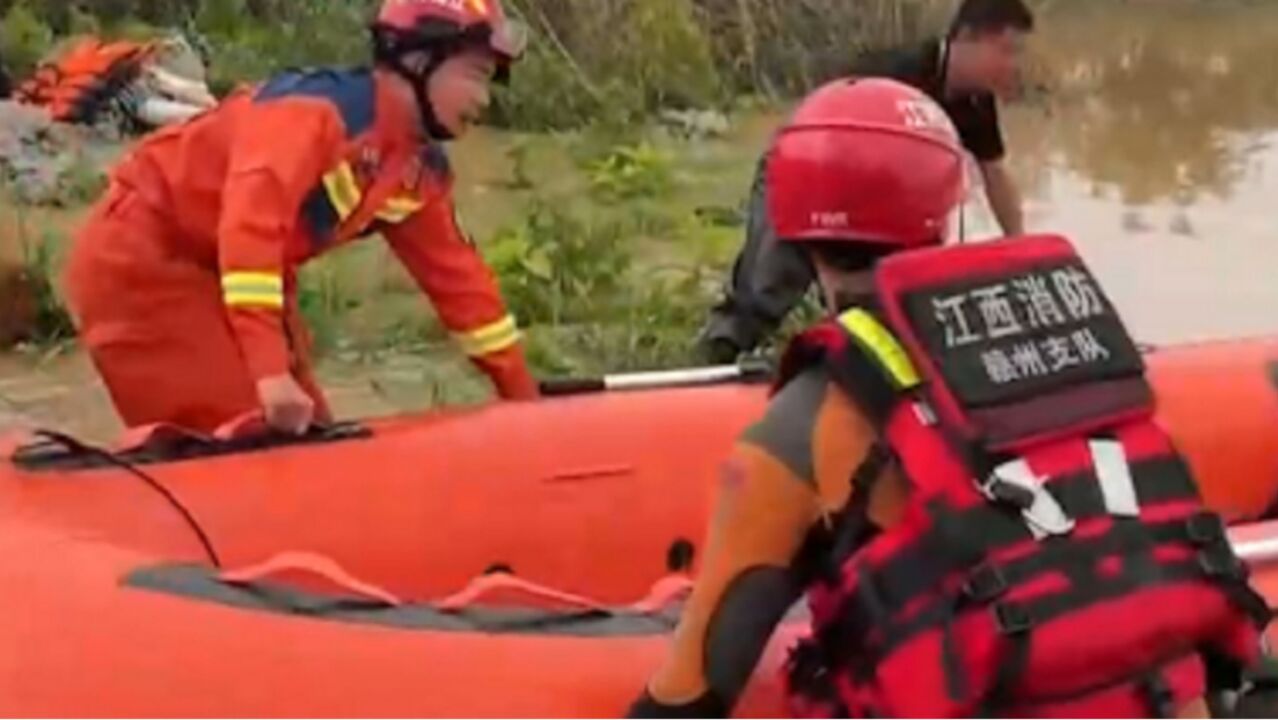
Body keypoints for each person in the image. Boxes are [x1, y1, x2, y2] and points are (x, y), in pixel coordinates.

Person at [630, 78, 1268, 718]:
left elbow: (690, 695)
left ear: (795, 231)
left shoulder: (801, 427)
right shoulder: (1083, 358)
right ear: (945, 210)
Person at [65, 0, 539, 436]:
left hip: (233, 272)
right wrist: (270, 372)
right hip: (146, 258)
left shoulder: (416, 169)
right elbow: (249, 229)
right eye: (476, 75)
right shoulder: (312, 114)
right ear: (418, 61)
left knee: (306, 434)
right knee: (241, 434)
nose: (484, 99)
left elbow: (464, 290)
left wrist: (523, 396)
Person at [700, 0, 1035, 363]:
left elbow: (995, 173)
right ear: (966, 37)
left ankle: (855, 361)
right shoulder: (893, 73)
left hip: (876, 199)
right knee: (768, 283)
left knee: (889, 290)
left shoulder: (974, 102)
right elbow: (828, 135)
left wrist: (1021, 251)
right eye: (1007, 50)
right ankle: (718, 358)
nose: (1014, 66)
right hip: (809, 165)